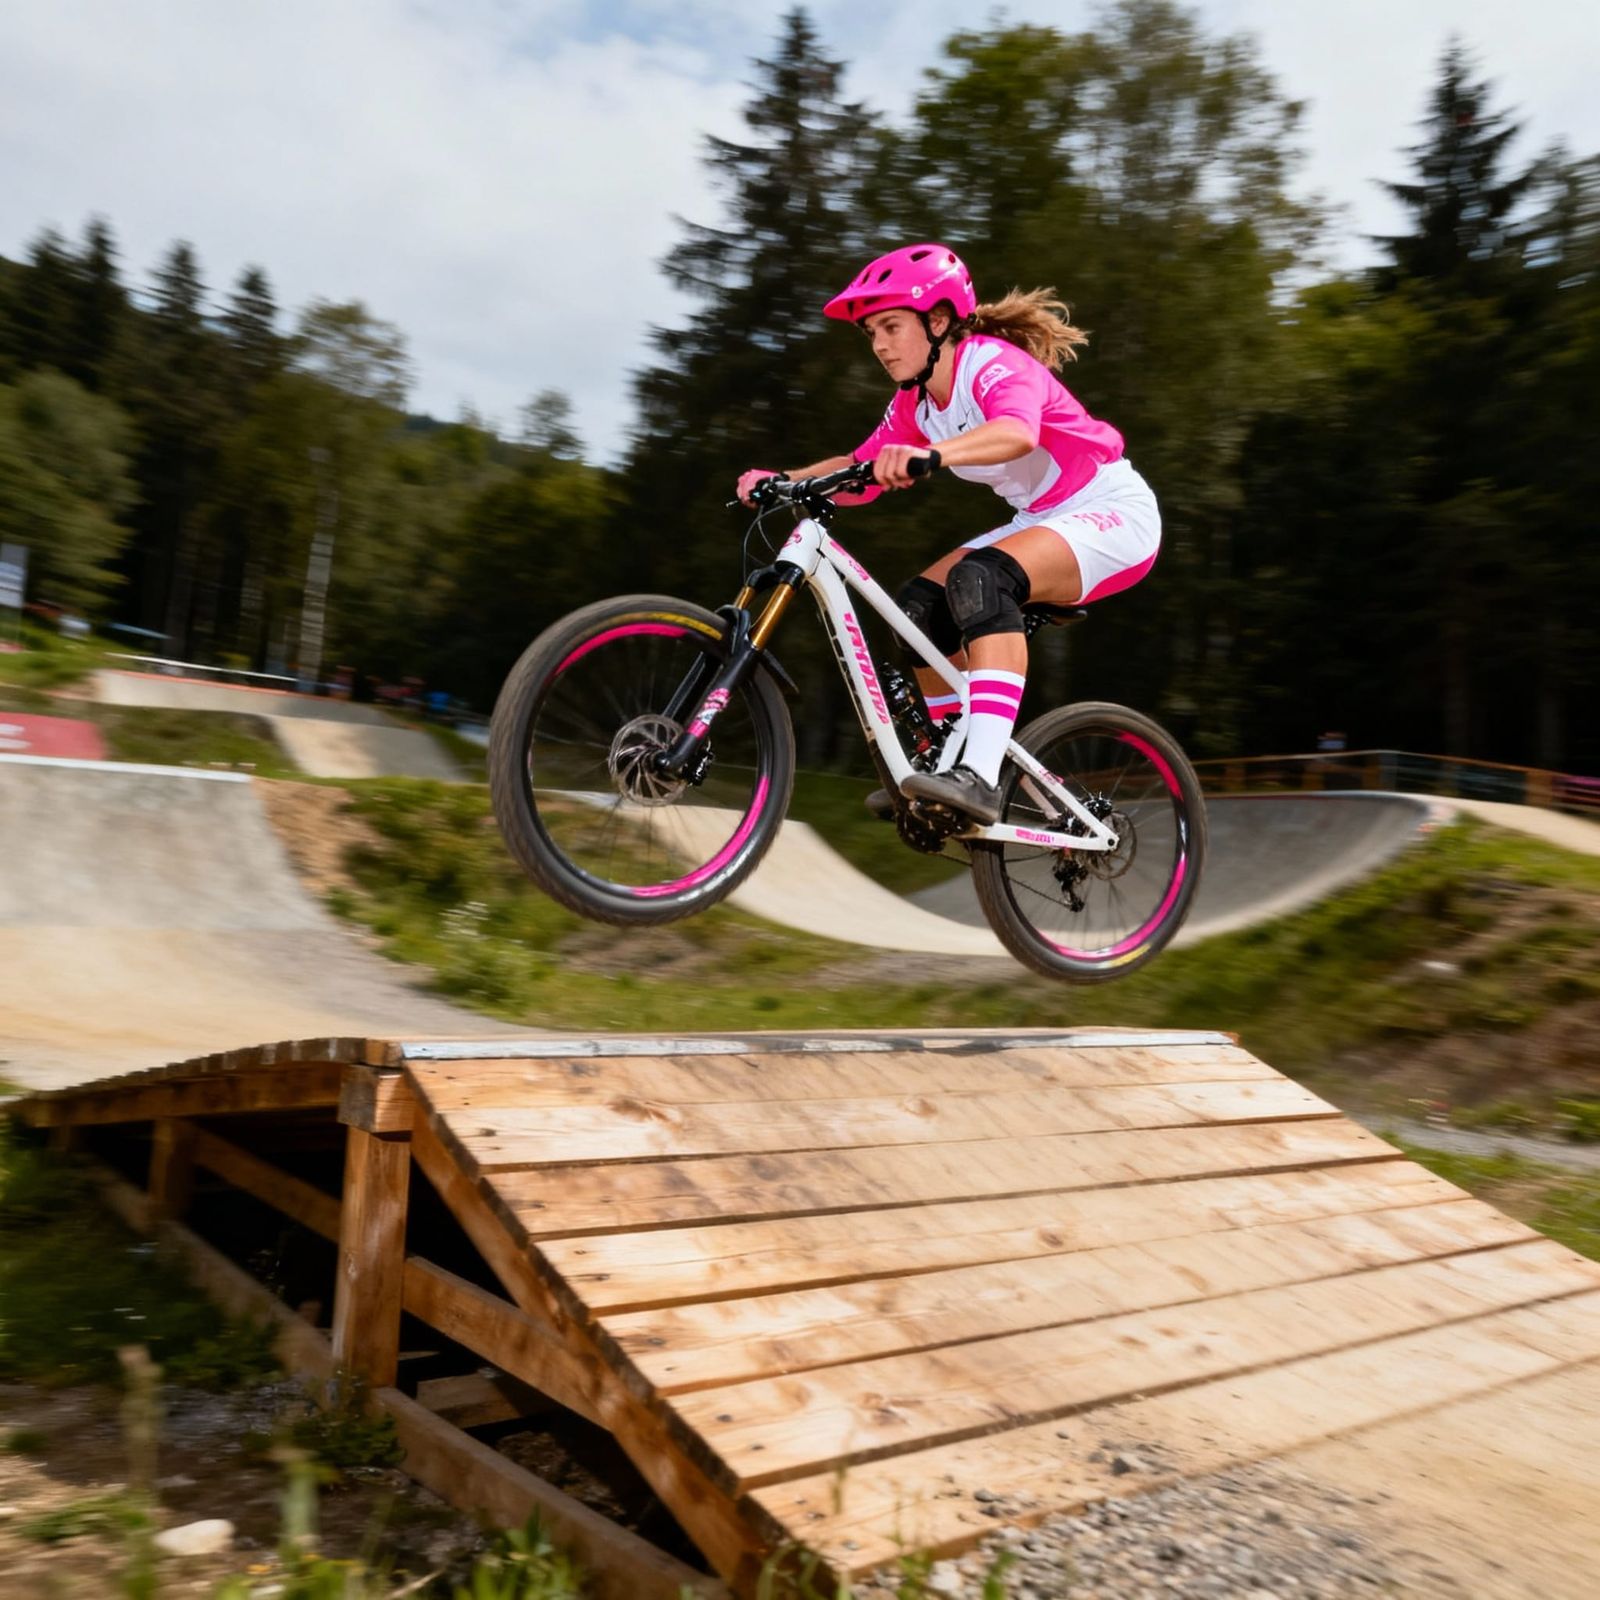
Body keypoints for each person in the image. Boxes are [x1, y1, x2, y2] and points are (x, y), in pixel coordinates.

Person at [736, 243, 1161, 823]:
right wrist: (782, 480)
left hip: (1113, 510)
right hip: (1043, 518)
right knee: (916, 612)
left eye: (891, 326)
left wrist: (929, 455)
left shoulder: (991, 363)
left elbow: (1016, 432)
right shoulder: (915, 401)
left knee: (981, 579)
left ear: (937, 321)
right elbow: (858, 472)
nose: (880, 344)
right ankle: (948, 765)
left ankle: (980, 778)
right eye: (871, 334)